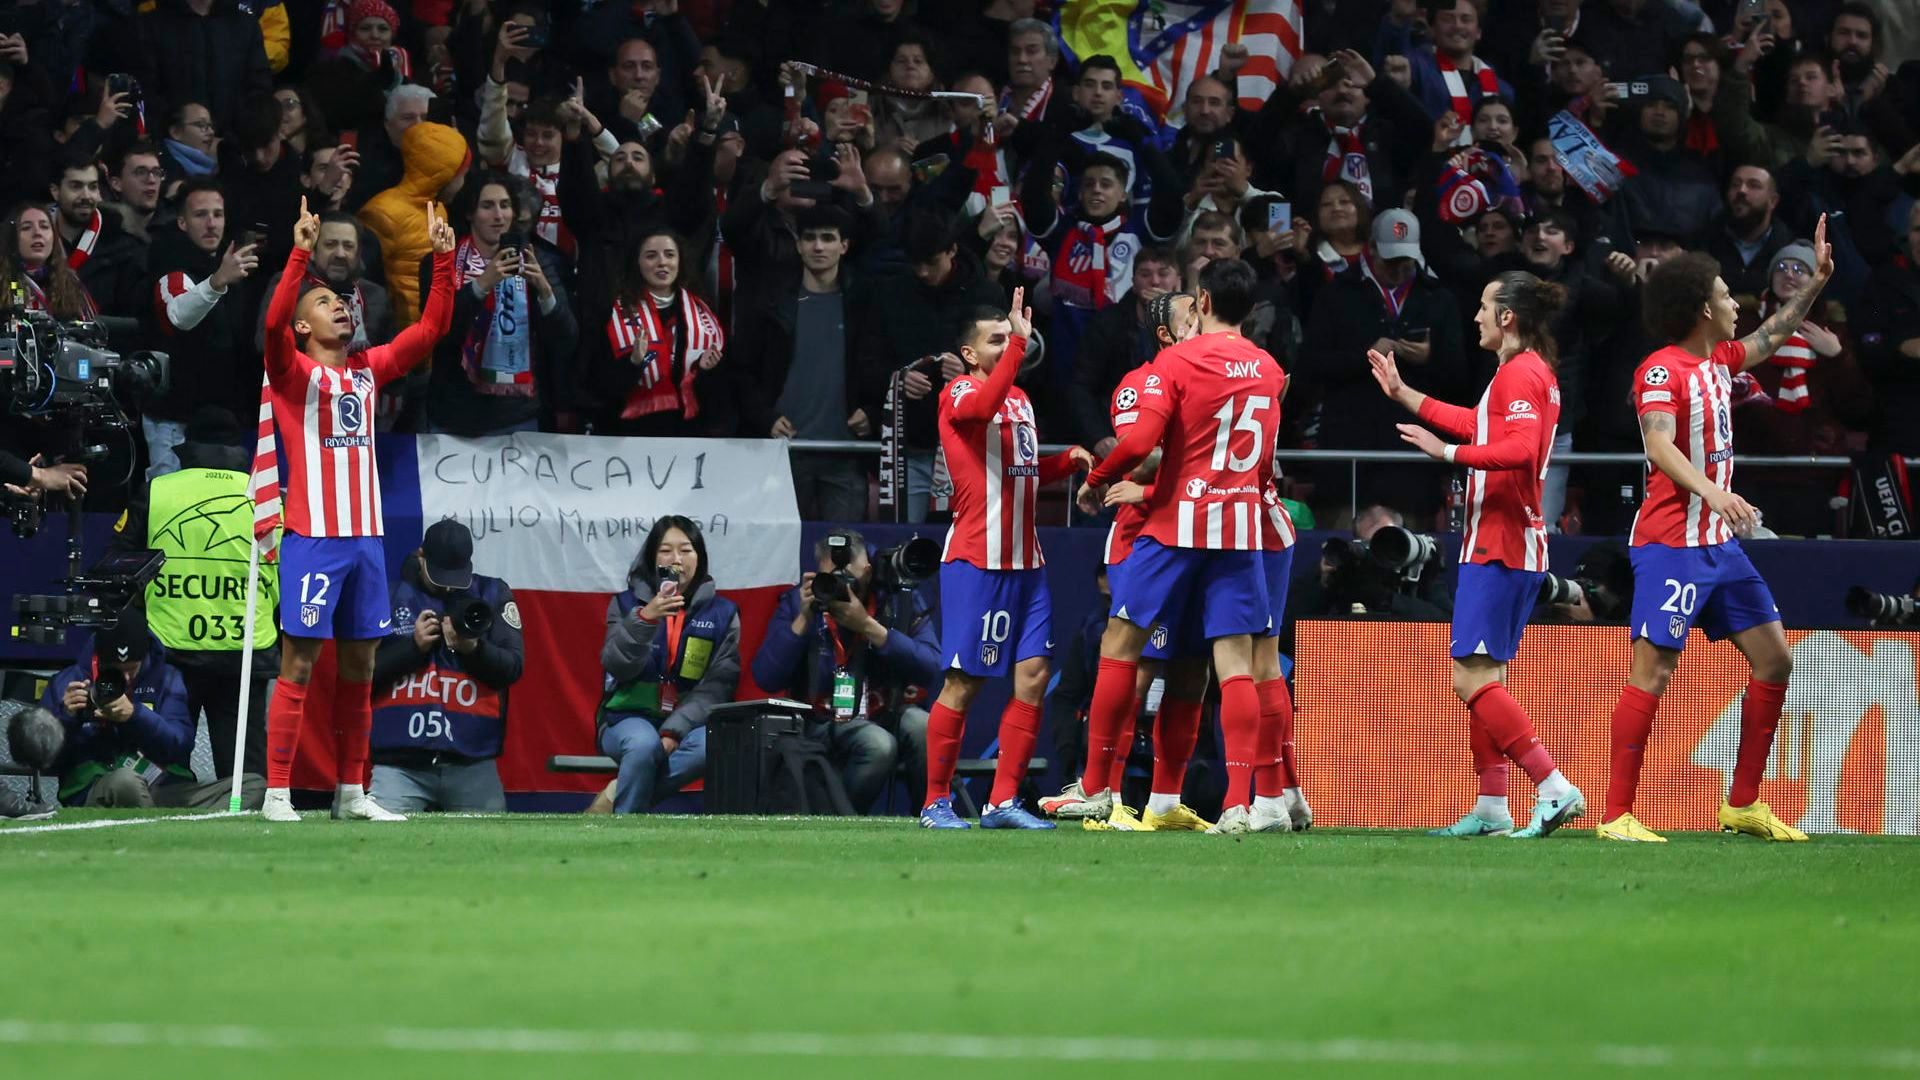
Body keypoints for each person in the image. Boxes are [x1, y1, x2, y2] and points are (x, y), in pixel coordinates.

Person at [1599, 216, 1838, 844]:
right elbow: (1658, 446)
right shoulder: (1661, 370)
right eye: (1728, 294)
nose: (1738, 302)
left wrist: (1815, 284)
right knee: (1652, 672)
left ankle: (1741, 805)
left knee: (1776, 659)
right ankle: (1617, 815)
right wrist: (1713, 491)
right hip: (1671, 545)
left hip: (1719, 547)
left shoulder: (1720, 359)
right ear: (1704, 306)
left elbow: (1773, 333)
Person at [1058, 260, 1286, 835]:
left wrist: (1098, 479)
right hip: (1237, 528)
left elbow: (1138, 441)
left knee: (1132, 647)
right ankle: (1240, 803)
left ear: (1205, 301)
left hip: (1177, 523)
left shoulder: (1177, 361)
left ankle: (1101, 787)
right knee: (1236, 663)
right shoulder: (1269, 368)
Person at [258, 196, 457, 825]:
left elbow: (428, 334)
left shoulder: (368, 371)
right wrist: (298, 252)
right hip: (313, 537)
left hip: (366, 539)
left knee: (361, 665)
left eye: (339, 301)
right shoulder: (292, 374)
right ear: (302, 328)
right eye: (322, 303)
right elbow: (268, 327)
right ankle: (278, 793)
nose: (338, 305)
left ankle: (352, 791)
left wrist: (445, 262)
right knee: (299, 661)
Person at [1369, 271, 1585, 839]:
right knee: (1487, 674)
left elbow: (1514, 449)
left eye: (1485, 306)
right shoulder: (1527, 373)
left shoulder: (1520, 373)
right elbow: (1480, 424)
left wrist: (1446, 452)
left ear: (1508, 316)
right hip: (1514, 542)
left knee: (1469, 679)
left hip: (1500, 542)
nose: (1476, 316)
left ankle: (1553, 786)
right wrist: (1406, 396)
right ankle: (1492, 805)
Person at [920, 288, 1092, 830]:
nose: (1008, 345)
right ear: (970, 353)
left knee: (1035, 674)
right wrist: (1018, 343)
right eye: (995, 339)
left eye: (1010, 337)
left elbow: (1022, 472)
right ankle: (934, 802)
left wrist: (1069, 462)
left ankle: (1001, 802)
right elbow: (984, 405)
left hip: (1028, 562)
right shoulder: (958, 393)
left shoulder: (1020, 399)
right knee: (965, 682)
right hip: (977, 561)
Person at [1064, 290, 1217, 833]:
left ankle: (1164, 800)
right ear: (1166, 335)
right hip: (1144, 536)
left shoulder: (1216, 377)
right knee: (1135, 666)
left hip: (1199, 535)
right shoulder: (1143, 382)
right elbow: (1141, 452)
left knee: (1191, 670)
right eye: (1190, 318)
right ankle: (1101, 789)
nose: (1202, 322)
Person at [112, 405, 277, 790]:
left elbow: (116, 567)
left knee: (160, 775)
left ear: (189, 447)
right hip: (244, 653)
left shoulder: (158, 492)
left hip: (170, 654)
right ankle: (252, 844)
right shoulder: (268, 499)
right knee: (245, 784)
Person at [750, 529, 939, 813]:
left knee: (924, 726)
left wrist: (869, 627)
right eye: (834, 580)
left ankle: (931, 817)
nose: (844, 588)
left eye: (851, 579)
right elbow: (766, 676)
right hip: (822, 720)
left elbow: (932, 665)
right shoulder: (798, 602)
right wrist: (803, 617)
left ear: (869, 571)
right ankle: (837, 824)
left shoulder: (897, 601)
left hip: (886, 710)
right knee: (879, 746)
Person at [368, 520, 525, 813]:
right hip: (400, 766)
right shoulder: (387, 596)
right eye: (440, 576)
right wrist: (412, 648)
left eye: (456, 576)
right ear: (420, 557)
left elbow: (513, 668)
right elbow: (359, 676)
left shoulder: (492, 594)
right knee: (380, 845)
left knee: (492, 852)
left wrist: (473, 649)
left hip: (472, 763)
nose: (450, 585)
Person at [39, 609, 261, 809]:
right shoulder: (69, 682)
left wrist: (135, 716)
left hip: (163, 787)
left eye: (131, 669)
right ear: (99, 660)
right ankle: (169, 830)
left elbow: (180, 745)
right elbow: (44, 761)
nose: (125, 678)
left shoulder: (167, 678)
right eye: (115, 671)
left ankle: (164, 825)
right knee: (126, 782)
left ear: (143, 658)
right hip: (101, 786)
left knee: (253, 786)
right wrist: (66, 717)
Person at [595, 517, 741, 815]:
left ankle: (616, 798)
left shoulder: (723, 613)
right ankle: (621, 829)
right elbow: (616, 666)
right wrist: (645, 619)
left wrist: (674, 731)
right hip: (626, 717)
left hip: (688, 723)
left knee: (713, 745)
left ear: (699, 558)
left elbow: (718, 687)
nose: (676, 559)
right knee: (642, 745)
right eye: (666, 551)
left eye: (686, 550)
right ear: (652, 558)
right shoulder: (625, 605)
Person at [423, 172, 575, 435]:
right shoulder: (439, 261)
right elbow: (435, 331)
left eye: (505, 206)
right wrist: (482, 284)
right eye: (488, 206)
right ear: (470, 212)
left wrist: (544, 290)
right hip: (453, 412)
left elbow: (566, 337)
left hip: (516, 415)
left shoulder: (536, 260)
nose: (499, 215)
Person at [142, 178, 262, 478]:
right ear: (182, 222)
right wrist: (217, 281)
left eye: (218, 214)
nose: (211, 224)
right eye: (200, 215)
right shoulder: (170, 266)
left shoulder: (232, 270)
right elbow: (179, 316)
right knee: (168, 504)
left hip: (223, 421)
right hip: (174, 420)